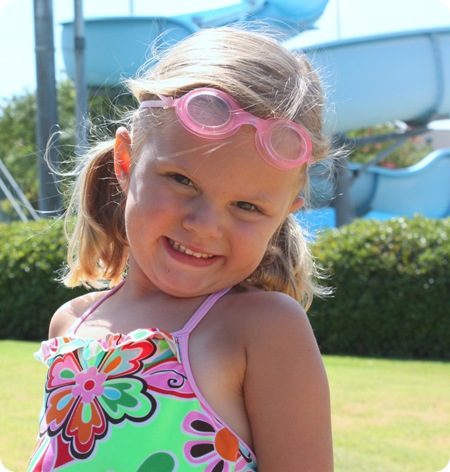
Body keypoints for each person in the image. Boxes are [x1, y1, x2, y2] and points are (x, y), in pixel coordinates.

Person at [28, 26, 333, 471]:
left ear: (284, 214)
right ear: (126, 161)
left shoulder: (263, 329)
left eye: (247, 206)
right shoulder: (72, 324)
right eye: (182, 180)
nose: (203, 225)